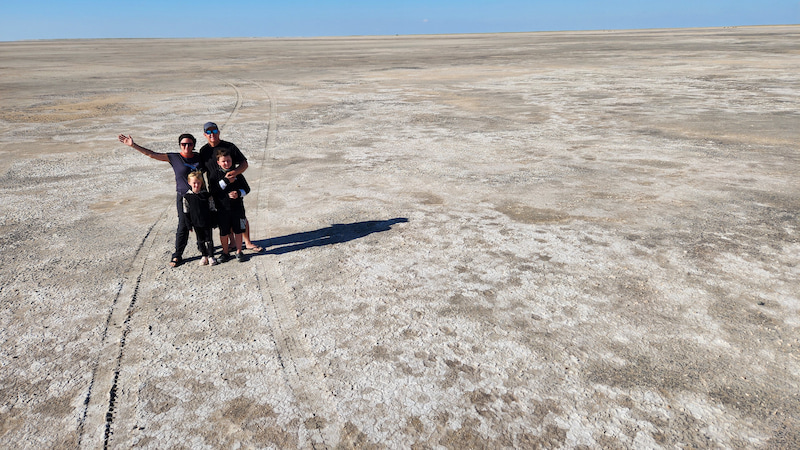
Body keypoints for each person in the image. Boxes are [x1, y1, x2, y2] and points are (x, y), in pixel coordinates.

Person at [118, 133, 203, 267]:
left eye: (190, 144)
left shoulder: (199, 157)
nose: (186, 146)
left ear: (194, 145)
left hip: (199, 195)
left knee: (200, 222)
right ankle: (177, 255)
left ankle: (204, 250)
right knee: (183, 225)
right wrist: (133, 145)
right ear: (179, 145)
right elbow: (152, 154)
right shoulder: (174, 157)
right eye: (183, 144)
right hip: (183, 196)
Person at [198, 122, 263, 252]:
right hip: (217, 189)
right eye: (209, 132)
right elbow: (201, 170)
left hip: (233, 186)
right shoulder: (204, 151)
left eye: (214, 131)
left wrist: (235, 173)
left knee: (240, 214)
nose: (212, 135)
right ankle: (232, 242)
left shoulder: (230, 147)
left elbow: (244, 163)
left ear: (218, 132)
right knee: (224, 216)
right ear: (205, 135)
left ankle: (248, 242)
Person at [208, 148, 251, 262]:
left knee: (238, 230)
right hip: (222, 209)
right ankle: (225, 252)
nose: (226, 163)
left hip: (237, 208)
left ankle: (239, 251)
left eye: (229, 161)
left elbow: (247, 189)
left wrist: (239, 193)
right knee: (224, 231)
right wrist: (226, 181)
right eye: (224, 161)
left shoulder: (237, 174)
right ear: (218, 162)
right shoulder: (214, 175)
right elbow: (213, 191)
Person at [182, 171, 218, 266]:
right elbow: (186, 211)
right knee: (200, 240)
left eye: (198, 182)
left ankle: (211, 256)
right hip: (196, 222)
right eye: (194, 183)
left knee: (209, 239)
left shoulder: (206, 195)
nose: (196, 185)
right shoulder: (187, 197)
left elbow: (212, 208)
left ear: (201, 183)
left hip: (207, 221)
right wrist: (188, 224)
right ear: (189, 182)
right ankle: (204, 255)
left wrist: (214, 221)